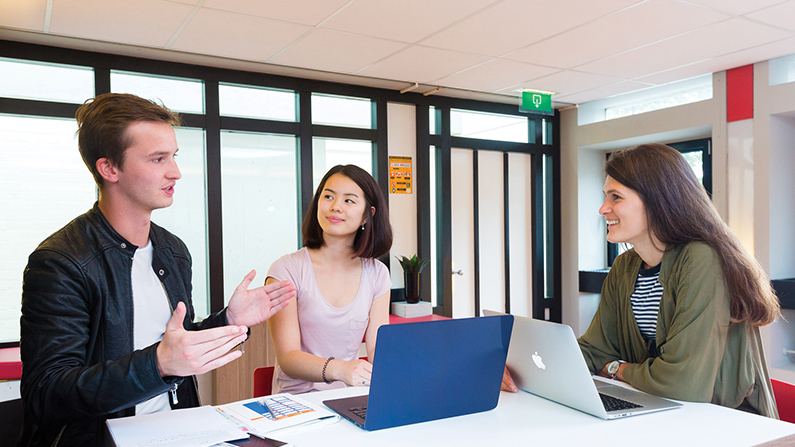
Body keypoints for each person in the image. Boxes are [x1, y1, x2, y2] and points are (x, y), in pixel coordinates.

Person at [18, 93, 296, 447]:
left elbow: (175, 344)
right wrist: (158, 365)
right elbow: (48, 394)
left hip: (175, 431)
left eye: (174, 156)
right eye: (158, 158)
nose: (175, 172)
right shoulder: (61, 261)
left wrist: (229, 320)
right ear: (109, 169)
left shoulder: (172, 251)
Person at [503, 143, 780, 418]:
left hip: (729, 422)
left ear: (658, 200)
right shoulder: (625, 266)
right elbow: (595, 350)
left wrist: (616, 369)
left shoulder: (700, 259)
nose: (603, 208)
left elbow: (681, 382)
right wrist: (515, 367)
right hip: (667, 414)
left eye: (616, 197)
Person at [266, 165, 393, 394]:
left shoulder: (378, 274)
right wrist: (341, 370)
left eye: (349, 201)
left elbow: (378, 350)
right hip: (297, 404)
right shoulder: (286, 270)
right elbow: (288, 358)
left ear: (367, 214)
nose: (335, 207)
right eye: (328, 196)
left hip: (349, 397)